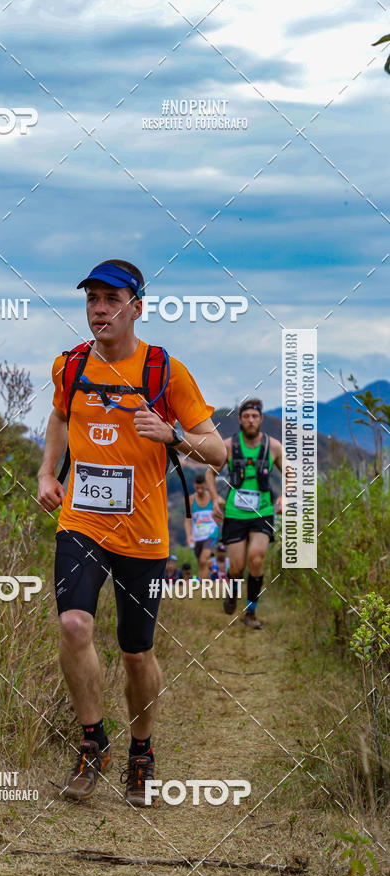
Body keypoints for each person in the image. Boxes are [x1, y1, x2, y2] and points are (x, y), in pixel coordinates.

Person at [37, 259, 225, 806]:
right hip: (82, 525)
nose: (99, 309)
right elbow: (58, 416)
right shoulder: (70, 367)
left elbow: (216, 450)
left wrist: (170, 433)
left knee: (136, 652)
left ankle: (141, 752)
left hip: (143, 534)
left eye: (111, 299)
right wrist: (49, 472)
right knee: (74, 625)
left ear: (137, 307)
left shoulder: (166, 372)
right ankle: (93, 741)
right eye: (92, 299)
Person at [205, 398, 285, 629]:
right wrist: (214, 498)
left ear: (261, 419)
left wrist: (286, 496)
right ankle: (232, 593)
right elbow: (210, 474)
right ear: (240, 419)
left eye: (255, 416)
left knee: (257, 559)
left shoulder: (274, 447)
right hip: (234, 512)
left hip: (263, 511)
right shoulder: (228, 446)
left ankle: (251, 612)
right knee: (237, 567)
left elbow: (291, 472)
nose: (251, 420)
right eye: (246, 416)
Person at [184, 472, 219, 581]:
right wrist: (188, 536)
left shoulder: (212, 497)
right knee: (201, 563)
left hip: (211, 534)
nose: (199, 490)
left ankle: (202, 588)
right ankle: (207, 584)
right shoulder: (190, 500)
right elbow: (188, 520)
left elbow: (222, 504)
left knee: (203, 560)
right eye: (197, 487)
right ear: (194, 485)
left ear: (206, 485)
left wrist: (219, 513)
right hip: (197, 536)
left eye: (202, 487)